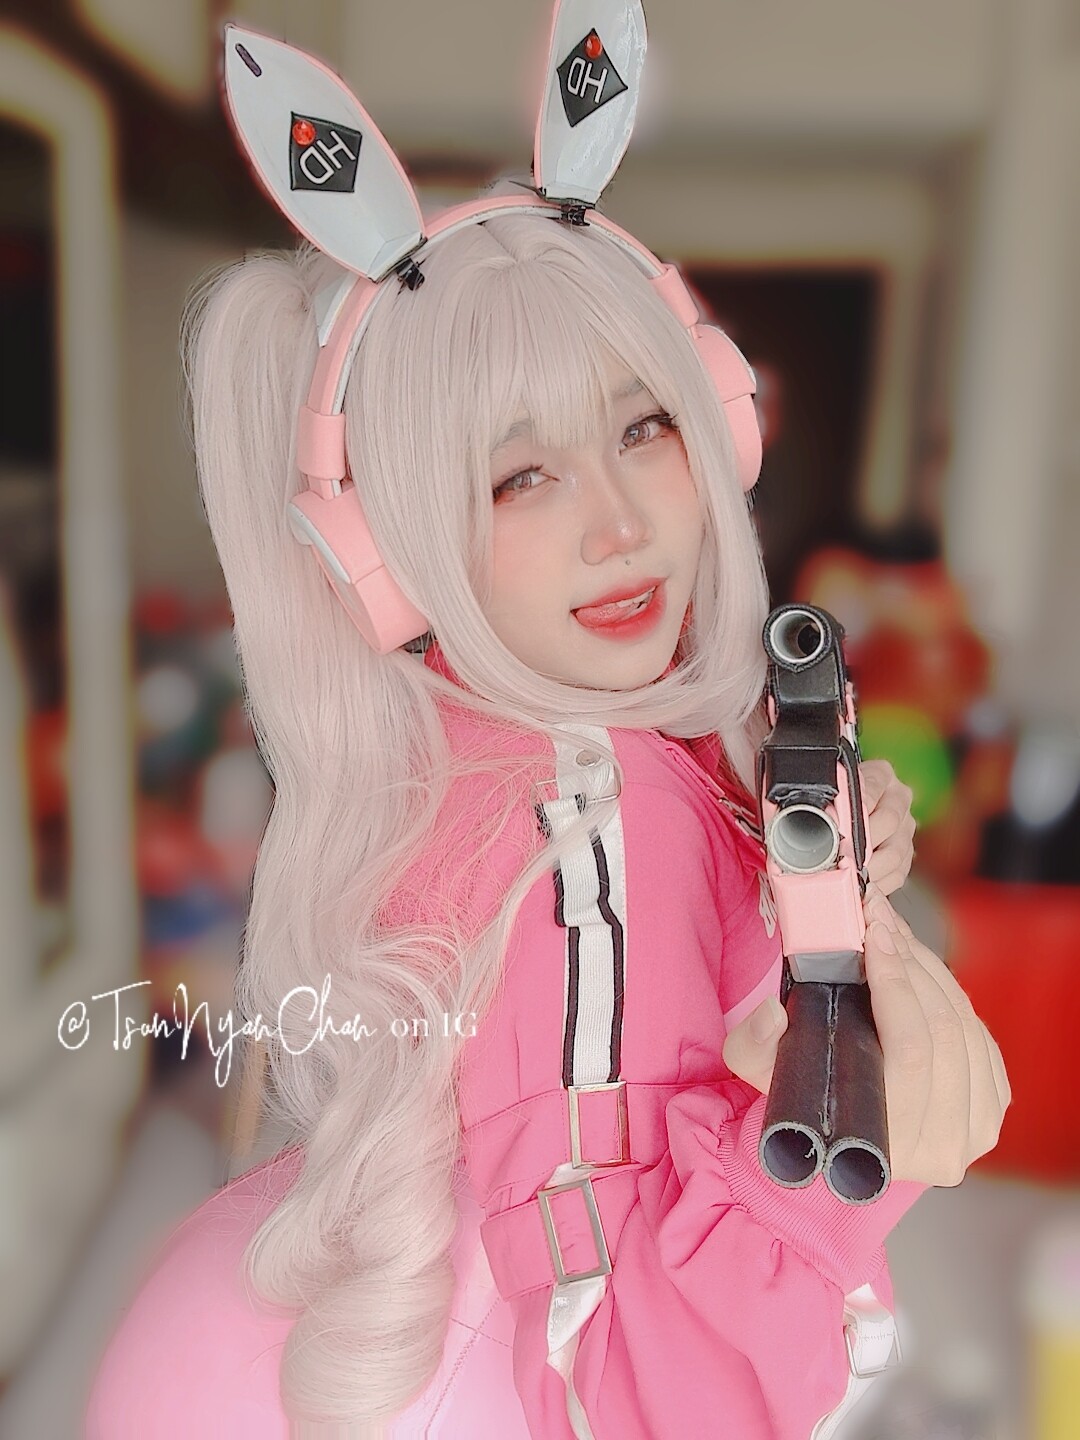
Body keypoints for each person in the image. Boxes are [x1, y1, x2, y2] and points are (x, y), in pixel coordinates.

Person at [85, 7, 1008, 1438]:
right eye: (520, 478)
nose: (619, 523)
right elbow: (633, 1390)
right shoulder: (589, 827)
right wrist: (839, 1160)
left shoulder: (513, 757)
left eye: (644, 429)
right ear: (387, 554)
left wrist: (785, 889)